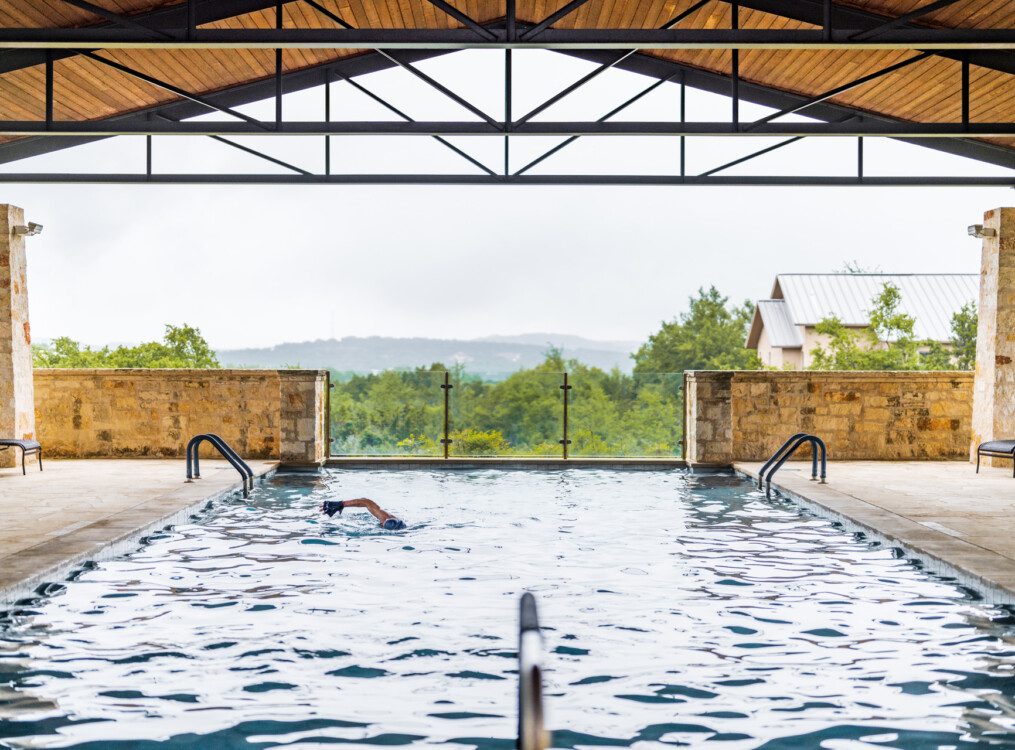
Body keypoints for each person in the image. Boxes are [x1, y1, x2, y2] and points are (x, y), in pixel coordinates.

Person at [321, 498, 406, 530]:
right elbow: (366, 502)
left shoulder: (386, 519)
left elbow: (365, 502)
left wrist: (340, 504)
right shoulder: (386, 518)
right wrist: (340, 504)